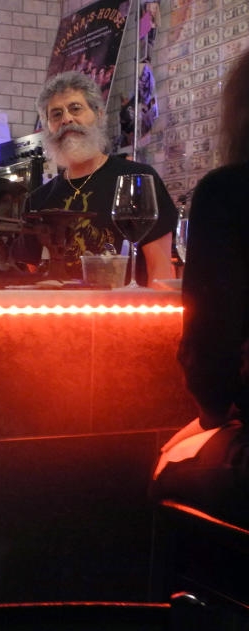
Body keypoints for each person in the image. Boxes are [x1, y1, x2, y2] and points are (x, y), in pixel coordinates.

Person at [151, 50, 249, 521]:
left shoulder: (228, 192)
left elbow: (209, 342)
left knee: (168, 466)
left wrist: (211, 418)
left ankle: (200, 599)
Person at [25, 71, 175, 284]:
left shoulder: (139, 180)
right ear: (48, 127)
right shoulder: (37, 201)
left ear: (99, 114)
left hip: (127, 314)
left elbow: (160, 272)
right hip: (61, 315)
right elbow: (34, 279)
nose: (67, 119)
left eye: (75, 108)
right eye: (56, 114)